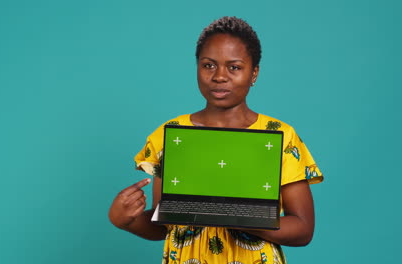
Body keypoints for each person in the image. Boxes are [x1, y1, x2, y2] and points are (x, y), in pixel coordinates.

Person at [108, 16, 323, 264]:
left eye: (234, 67)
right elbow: (165, 224)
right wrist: (126, 220)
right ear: (197, 67)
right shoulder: (171, 135)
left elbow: (303, 228)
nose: (220, 76)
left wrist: (246, 220)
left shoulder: (281, 136)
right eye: (209, 65)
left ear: (254, 73)